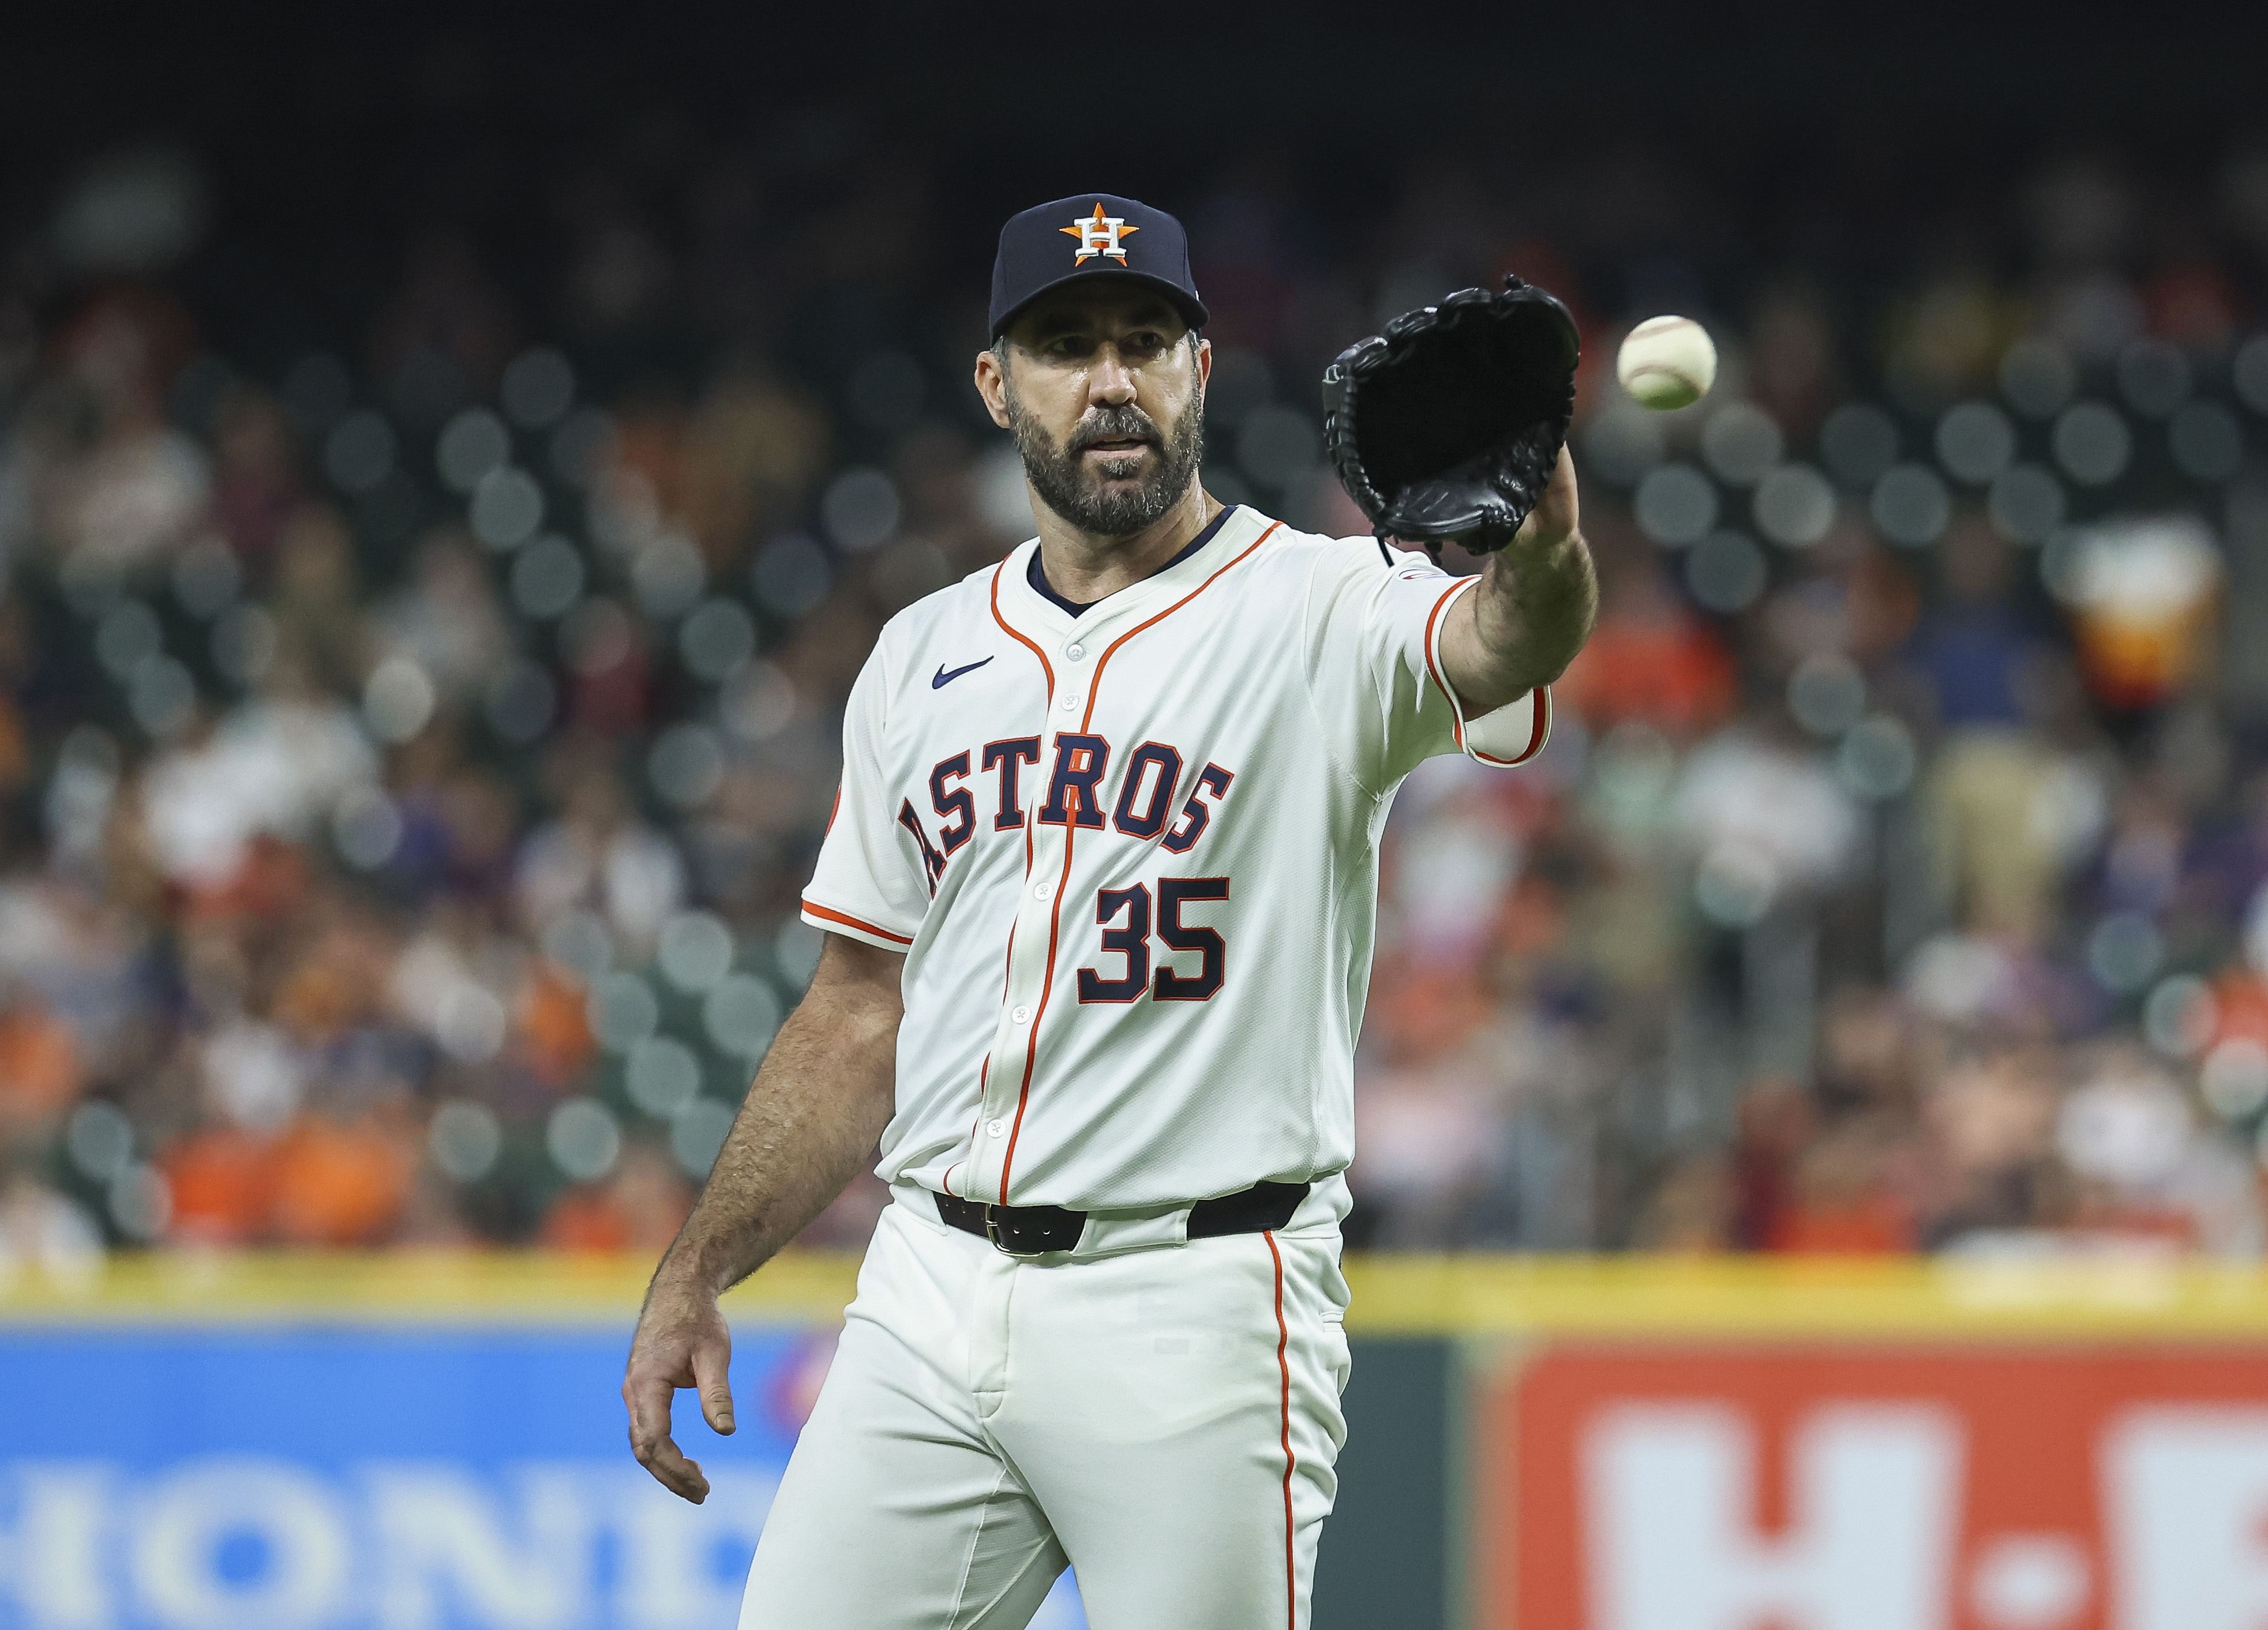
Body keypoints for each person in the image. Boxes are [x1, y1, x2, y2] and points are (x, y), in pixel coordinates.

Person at [623, 193, 1595, 1630]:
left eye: (1146, 340)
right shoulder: (922, 656)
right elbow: (852, 1014)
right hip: (929, 1290)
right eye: (1067, 346)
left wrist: (1537, 548)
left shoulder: (1321, 610)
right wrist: (697, 1270)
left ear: (1201, 368)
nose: (1111, 381)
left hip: (1194, 1304)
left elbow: (1513, 637)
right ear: (996, 384)